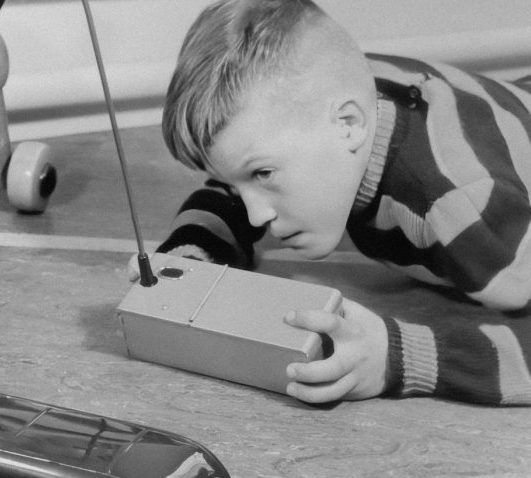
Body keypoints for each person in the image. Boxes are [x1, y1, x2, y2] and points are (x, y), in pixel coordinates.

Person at [142, 0, 531, 405]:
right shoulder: (327, 98)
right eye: (240, 183)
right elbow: (227, 185)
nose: (255, 212)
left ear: (349, 125)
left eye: (263, 174)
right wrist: (188, 259)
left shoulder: (462, 208)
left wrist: (397, 356)